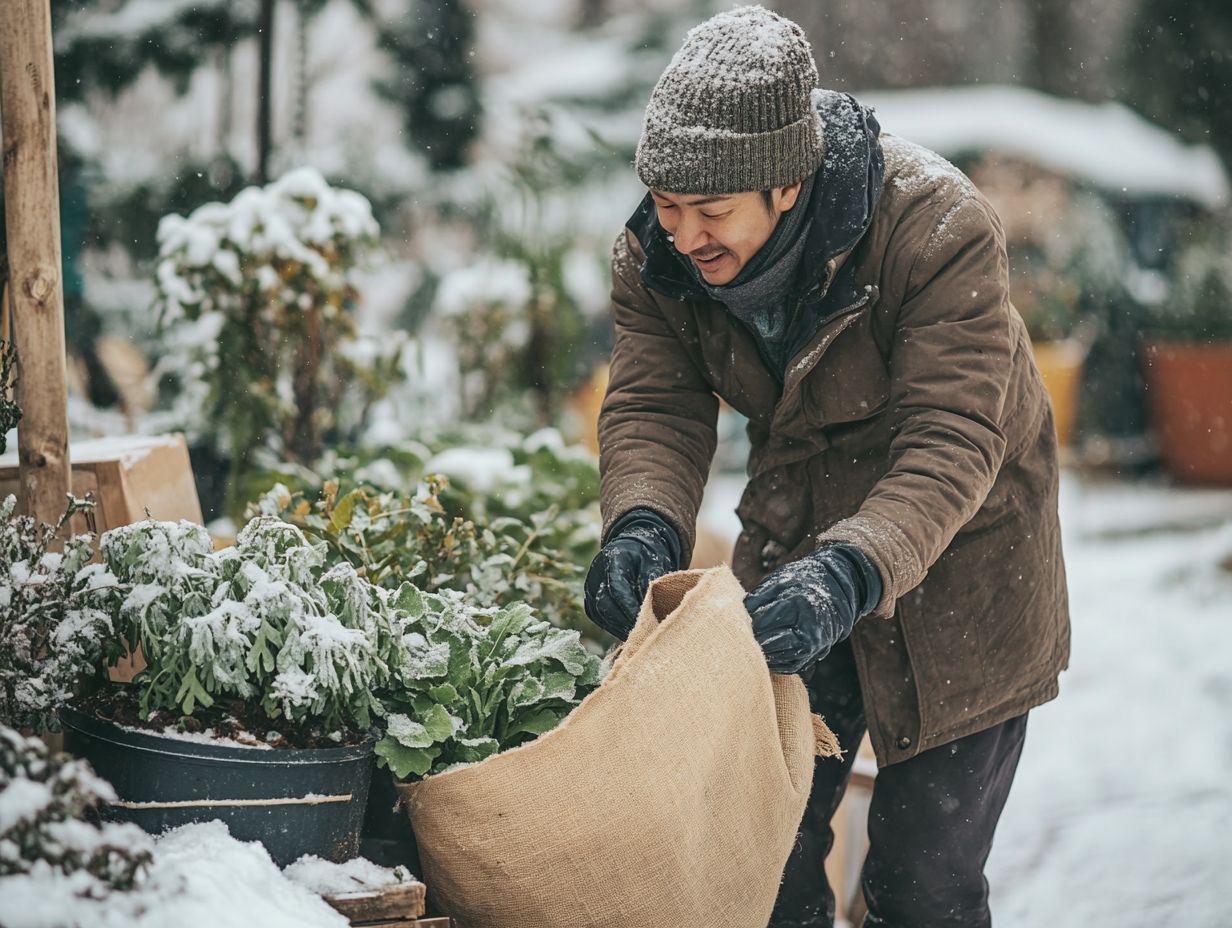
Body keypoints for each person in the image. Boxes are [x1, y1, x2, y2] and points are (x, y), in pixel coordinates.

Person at [583, 6, 1070, 927]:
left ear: (789, 186)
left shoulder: (936, 231)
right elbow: (655, 406)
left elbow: (953, 439)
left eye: (711, 211)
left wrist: (852, 571)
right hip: (795, 545)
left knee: (922, 887)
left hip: (963, 565)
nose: (684, 235)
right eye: (667, 206)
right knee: (761, 853)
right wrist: (643, 521)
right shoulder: (658, 258)